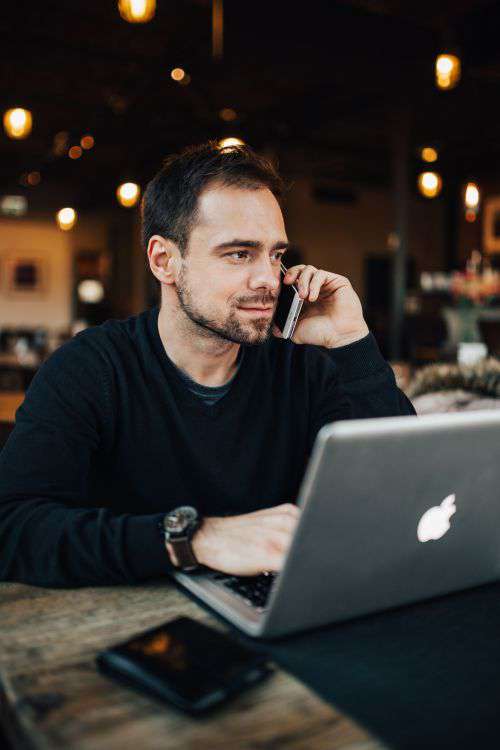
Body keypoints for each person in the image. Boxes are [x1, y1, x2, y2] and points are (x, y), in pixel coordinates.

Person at [0, 141, 415, 588]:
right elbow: (14, 528)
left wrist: (352, 343)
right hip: (128, 627)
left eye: (276, 255)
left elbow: (404, 494)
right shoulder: (90, 369)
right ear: (165, 261)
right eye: (239, 254)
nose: (268, 279)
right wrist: (196, 539)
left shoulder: (304, 371)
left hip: (277, 614)